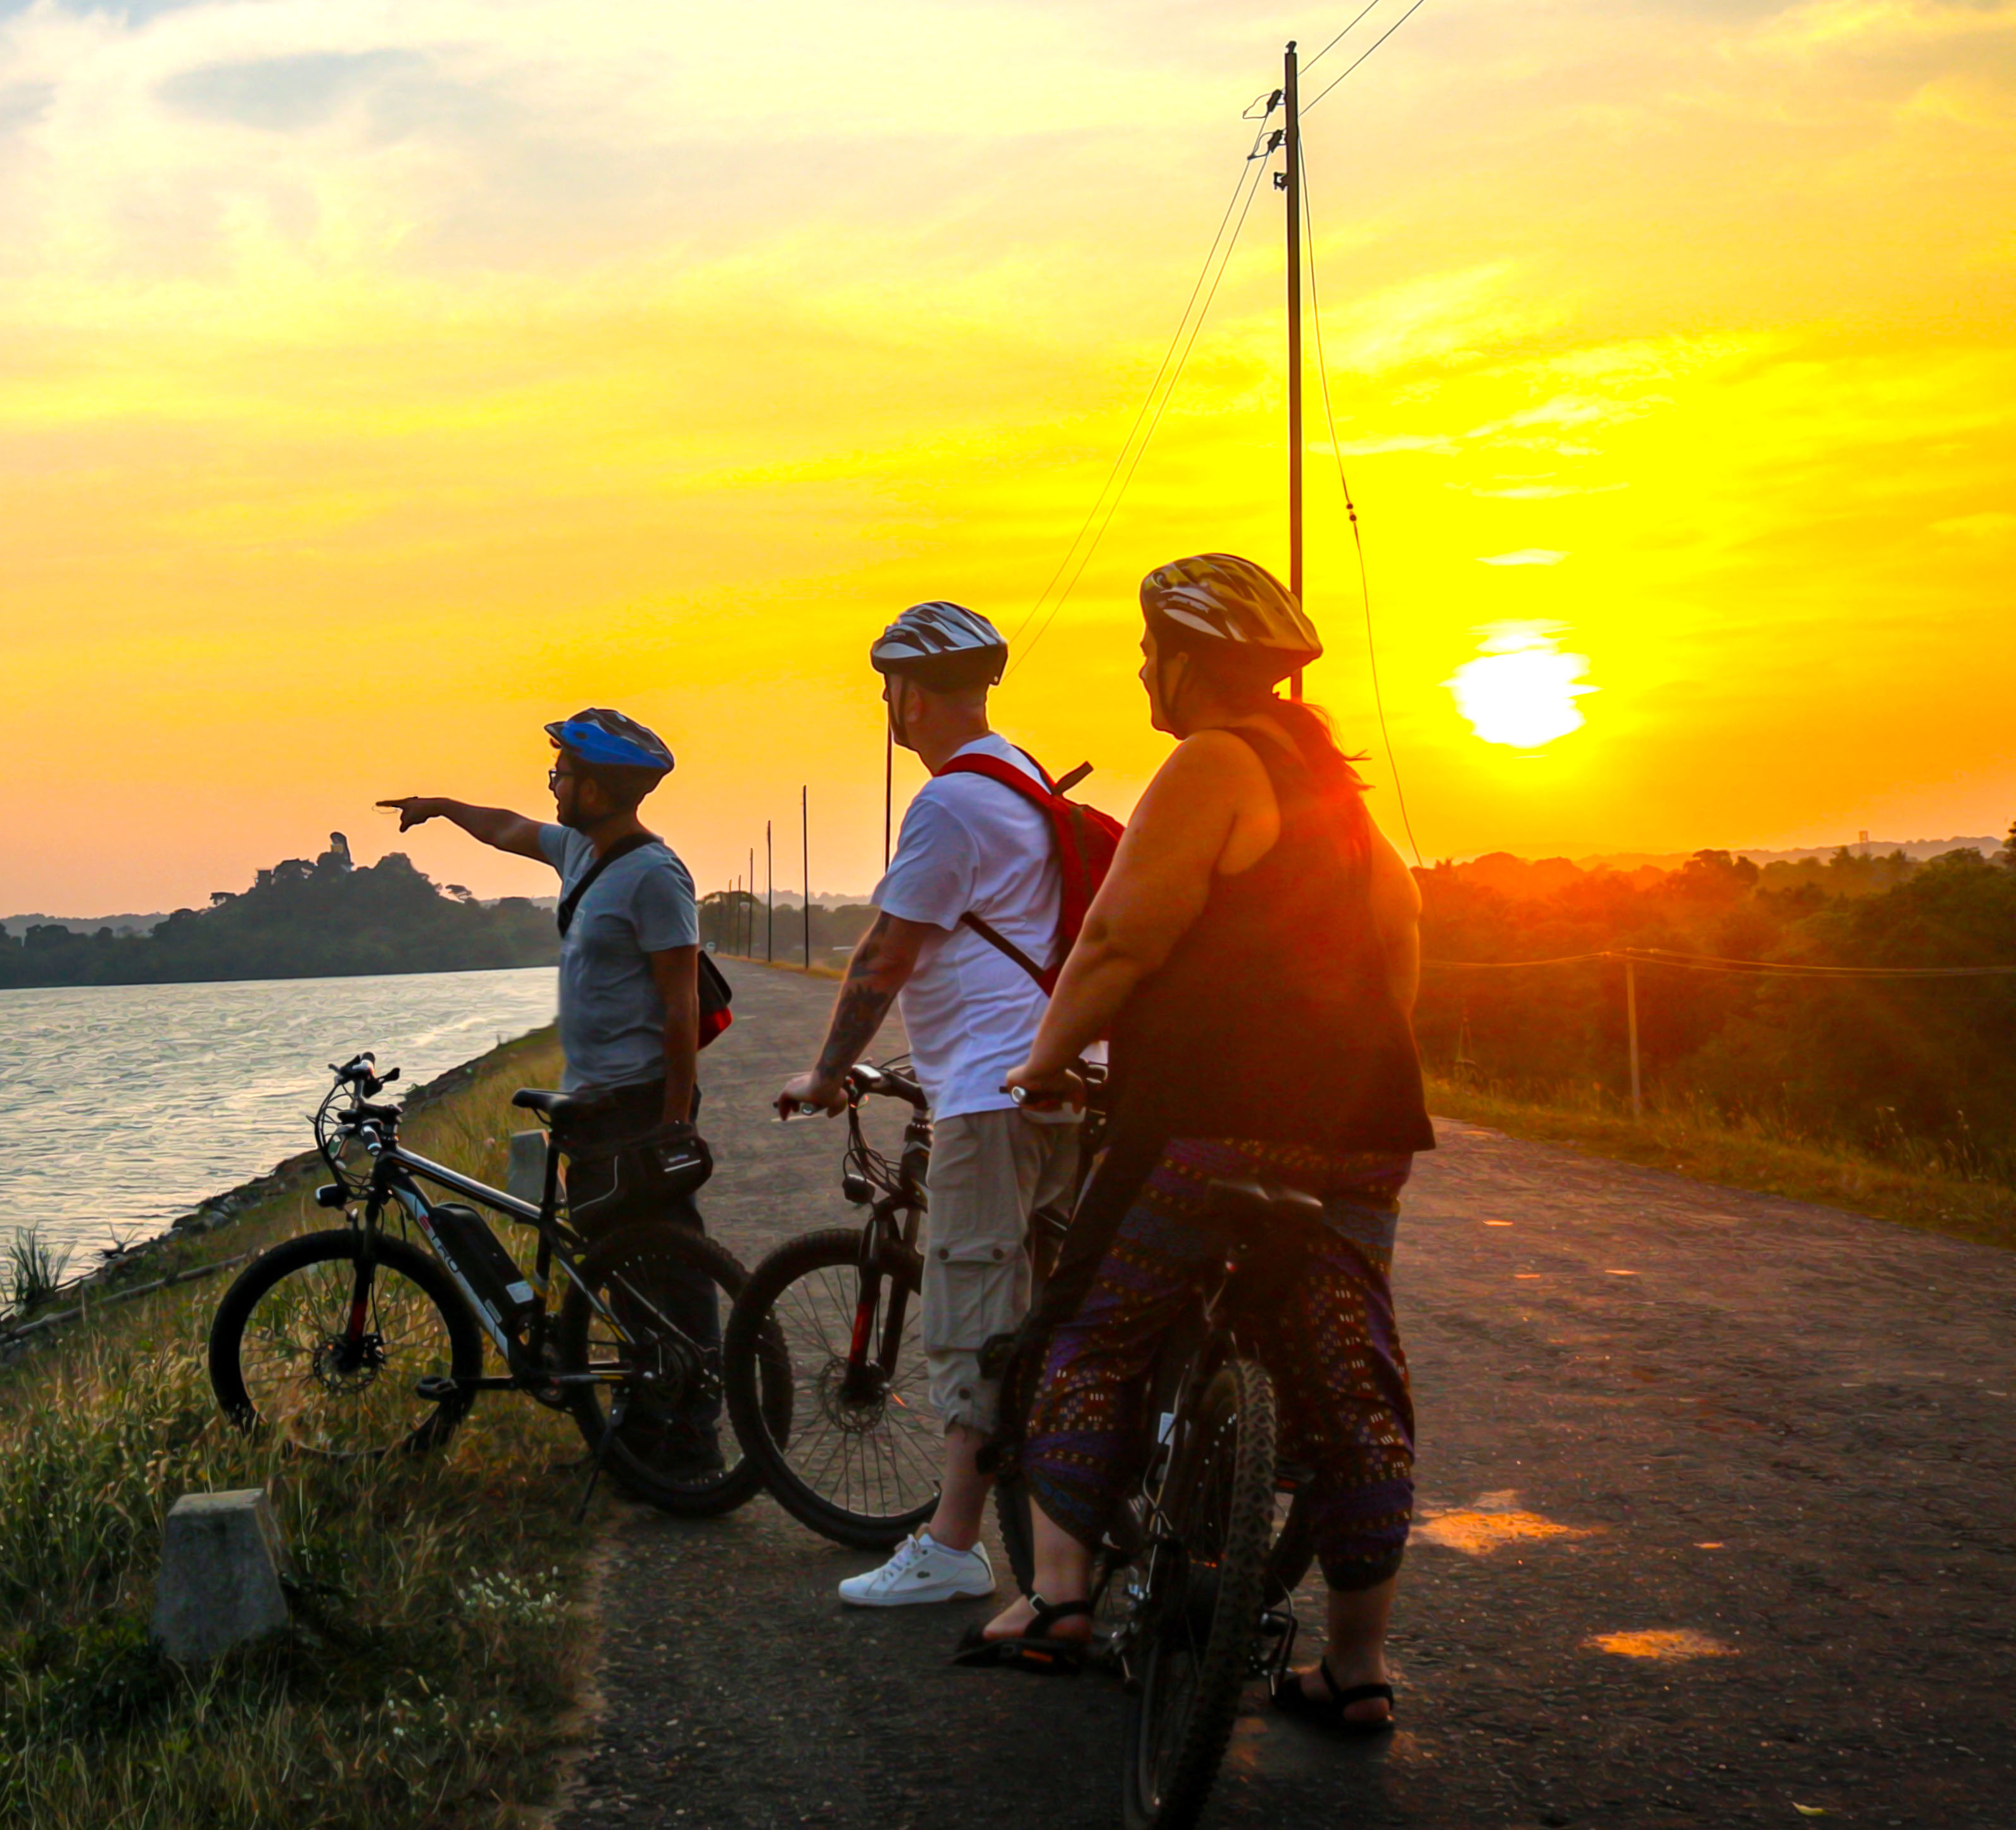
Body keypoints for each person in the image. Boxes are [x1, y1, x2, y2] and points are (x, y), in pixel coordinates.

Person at [981, 554, 1432, 1732]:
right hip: (1362, 1132)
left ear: (1190, 660)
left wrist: (1037, 1063)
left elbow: (1125, 938)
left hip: (1206, 1121)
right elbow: (1402, 939)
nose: (1140, 666)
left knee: (1087, 1333)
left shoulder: (1211, 763)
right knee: (1352, 1381)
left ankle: (1062, 1599)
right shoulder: (1336, 794)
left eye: (1147, 648)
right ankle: (1359, 1668)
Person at [778, 602, 1118, 1608]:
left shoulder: (950, 804)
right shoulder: (1023, 780)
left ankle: (956, 1544)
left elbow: (888, 951)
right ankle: (1088, 1529)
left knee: (974, 1309)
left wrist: (830, 1071)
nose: (888, 703)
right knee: (1058, 1317)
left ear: (909, 693)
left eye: (888, 687)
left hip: (990, 1097)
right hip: (1066, 1082)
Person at [379, 707, 719, 1472]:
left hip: (640, 1103)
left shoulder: (654, 875)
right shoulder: (582, 851)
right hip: (597, 1101)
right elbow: (507, 827)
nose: (551, 782)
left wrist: (674, 1119)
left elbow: (681, 1002)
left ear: (597, 788)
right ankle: (644, 1421)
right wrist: (439, 807)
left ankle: (695, 1439)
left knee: (668, 1269)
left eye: (562, 772)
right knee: (616, 1270)